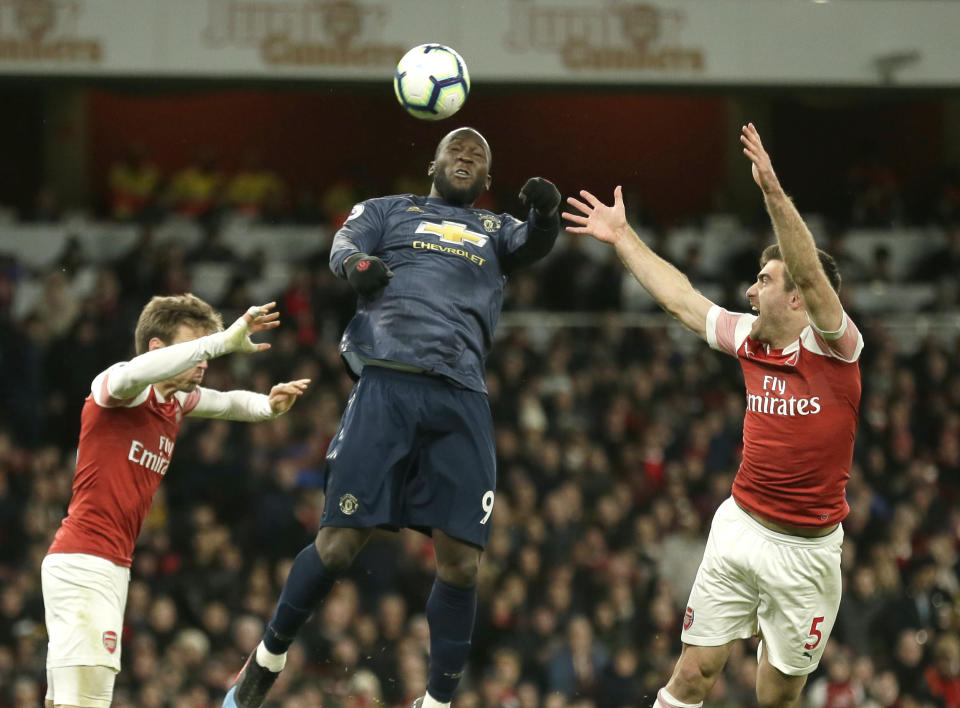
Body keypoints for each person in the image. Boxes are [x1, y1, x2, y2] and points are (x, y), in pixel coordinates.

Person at [223, 126, 561, 708]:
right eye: (455, 149)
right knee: (336, 548)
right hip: (387, 383)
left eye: (478, 157)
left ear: (488, 182)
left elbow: (533, 243)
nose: (466, 156)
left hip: (461, 396)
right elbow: (341, 247)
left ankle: (435, 703)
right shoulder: (389, 210)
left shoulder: (496, 230)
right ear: (431, 166)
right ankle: (266, 660)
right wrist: (356, 266)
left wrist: (548, 213)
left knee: (461, 564)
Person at [563, 123, 863, 708]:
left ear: (799, 295)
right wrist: (624, 238)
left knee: (775, 698)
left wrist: (774, 192)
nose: (751, 292)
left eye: (764, 280)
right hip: (740, 528)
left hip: (808, 553)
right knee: (692, 676)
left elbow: (805, 268)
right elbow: (681, 299)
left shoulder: (835, 347)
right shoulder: (748, 336)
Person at [41, 294, 310, 708]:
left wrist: (268, 406)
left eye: (206, 350)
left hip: (104, 565)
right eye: (193, 348)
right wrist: (222, 341)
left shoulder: (175, 402)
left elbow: (229, 402)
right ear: (156, 348)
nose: (203, 361)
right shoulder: (118, 387)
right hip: (86, 564)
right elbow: (136, 374)